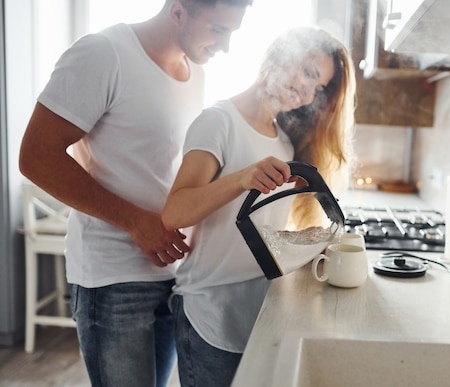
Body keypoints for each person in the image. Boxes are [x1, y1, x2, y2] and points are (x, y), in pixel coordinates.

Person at [18, 1, 253, 386]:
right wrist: (134, 220)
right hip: (112, 279)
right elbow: (35, 157)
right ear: (178, 12)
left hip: (172, 275)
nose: (224, 47)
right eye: (218, 31)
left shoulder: (194, 72)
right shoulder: (103, 53)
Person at [161, 26, 356, 386]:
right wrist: (240, 178)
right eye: (310, 73)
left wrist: (308, 246)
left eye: (318, 87)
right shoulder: (218, 121)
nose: (308, 91)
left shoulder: (283, 141)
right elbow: (175, 212)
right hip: (210, 311)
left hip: (259, 310)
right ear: (281, 56)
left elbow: (260, 232)